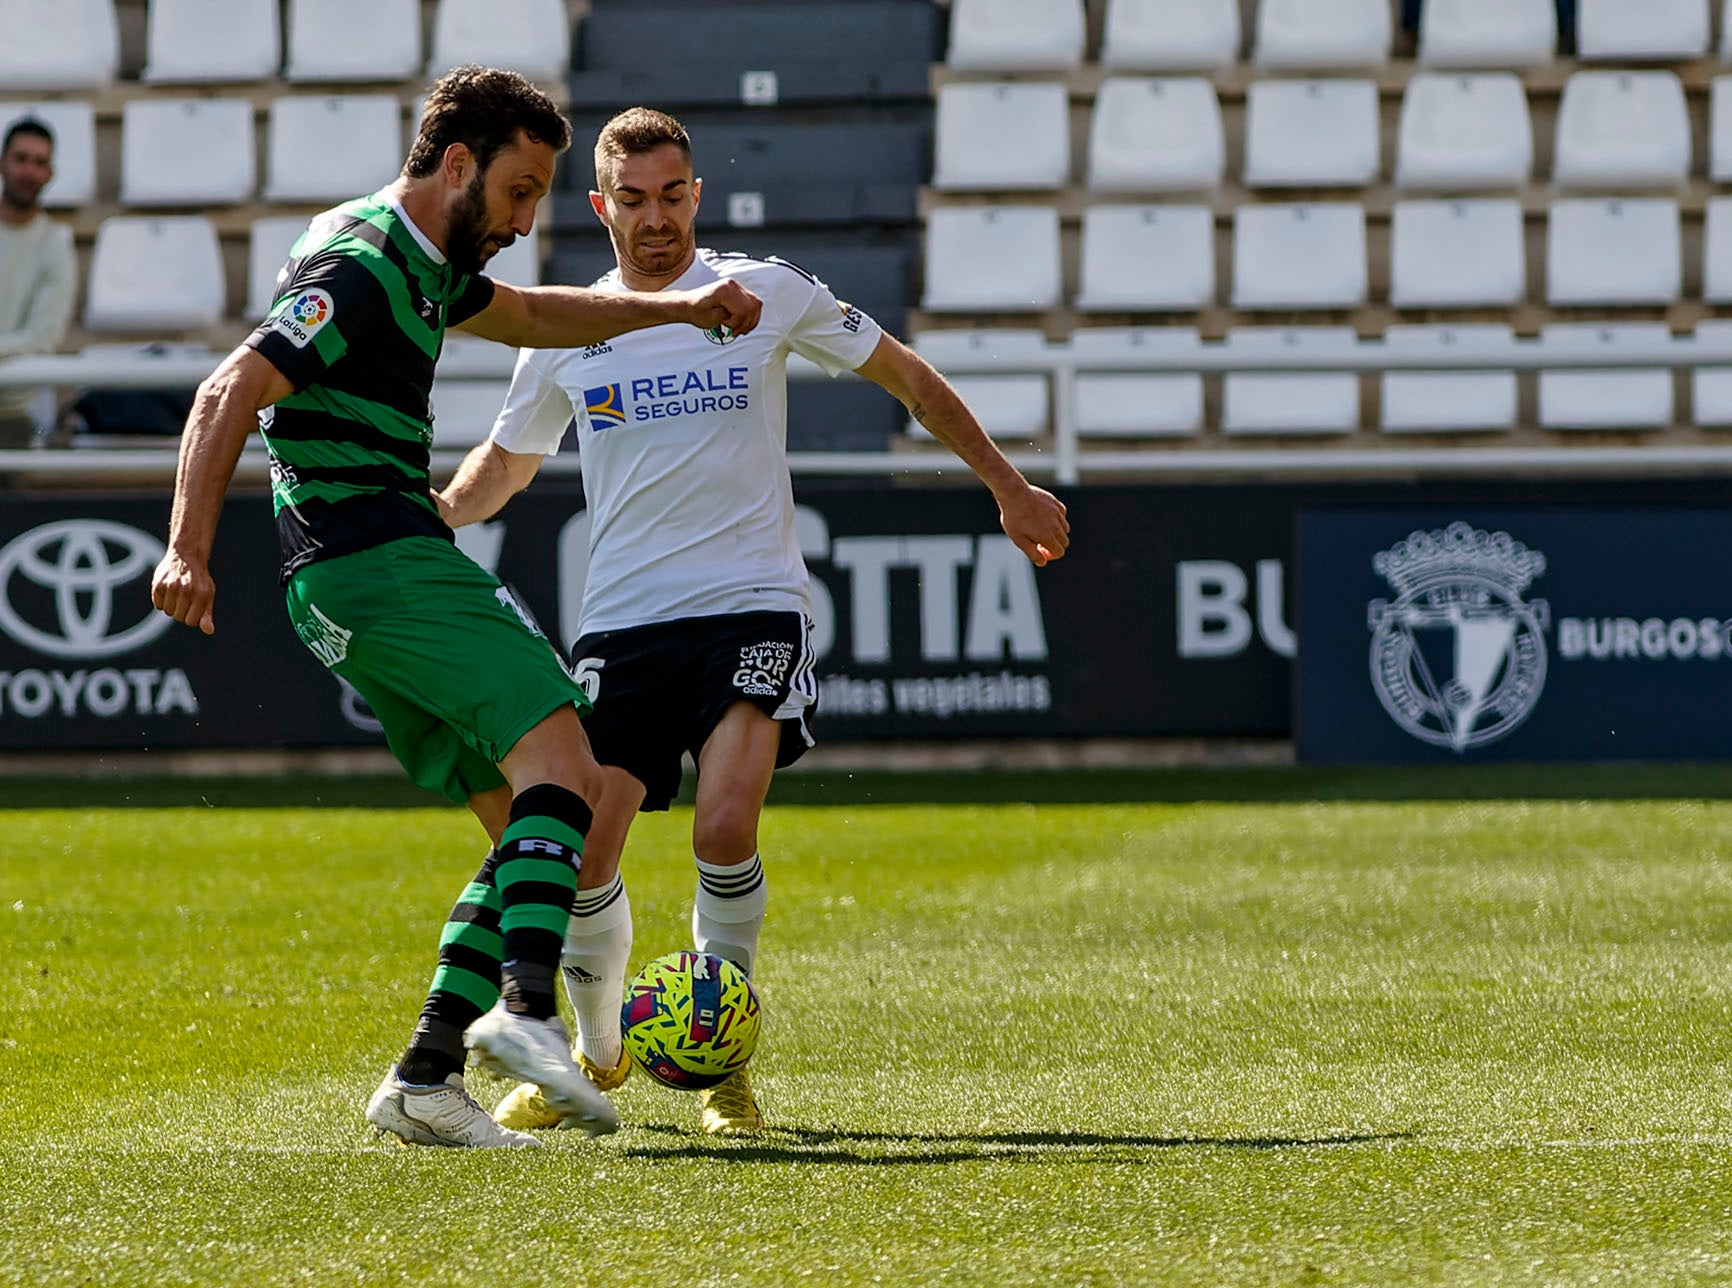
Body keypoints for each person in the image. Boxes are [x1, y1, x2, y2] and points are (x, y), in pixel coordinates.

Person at [149, 70, 762, 1149]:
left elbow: (535, 313)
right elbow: (228, 390)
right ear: (460, 164)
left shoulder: (424, 258)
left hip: (343, 583)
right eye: (520, 193)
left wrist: (676, 307)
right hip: (378, 557)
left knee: (528, 826)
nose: (527, 222)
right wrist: (186, 550)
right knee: (568, 763)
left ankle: (426, 1077)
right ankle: (525, 1015)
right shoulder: (368, 259)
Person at [433, 107, 1070, 1136]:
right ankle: (596, 1060)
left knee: (725, 825)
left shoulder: (764, 294)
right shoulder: (565, 326)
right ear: (601, 206)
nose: (656, 220)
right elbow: (504, 463)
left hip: (751, 604)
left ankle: (722, 1067)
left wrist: (1007, 485)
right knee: (587, 852)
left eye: (673, 196)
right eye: (633, 201)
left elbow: (904, 376)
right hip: (623, 623)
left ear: (697, 194)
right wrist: (432, 516)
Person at [0, 117, 75, 448]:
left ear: (50, 174)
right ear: (3, 163)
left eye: (39, 162)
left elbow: (44, 337)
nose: (28, 171)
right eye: (20, 159)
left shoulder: (55, 245)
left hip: (10, 413)